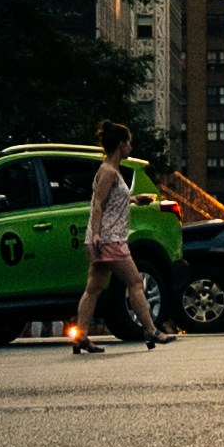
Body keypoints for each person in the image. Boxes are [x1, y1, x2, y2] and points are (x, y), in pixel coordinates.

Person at [70, 136, 157, 354]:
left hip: (105, 237)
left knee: (93, 288)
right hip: (110, 238)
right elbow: (98, 203)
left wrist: (135, 200)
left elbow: (109, 201)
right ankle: (151, 331)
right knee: (136, 282)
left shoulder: (111, 171)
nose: (131, 146)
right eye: (128, 142)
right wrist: (98, 234)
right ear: (120, 144)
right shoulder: (108, 171)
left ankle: (80, 337)